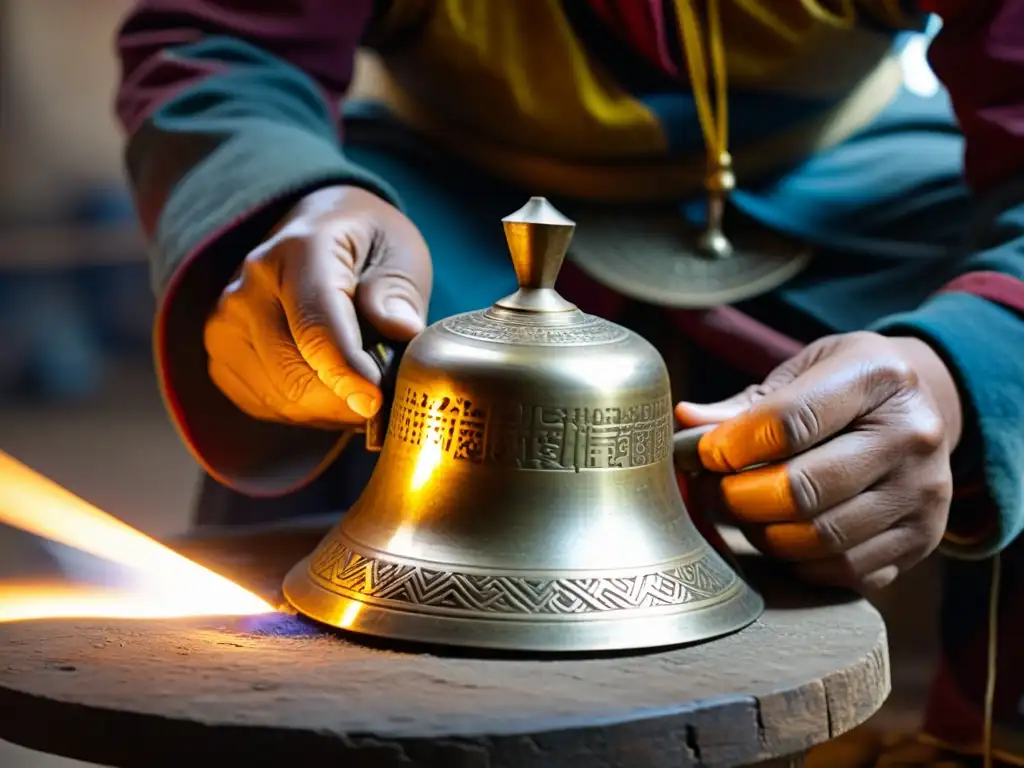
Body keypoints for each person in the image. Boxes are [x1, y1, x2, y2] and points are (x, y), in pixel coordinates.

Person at [114, 1, 1023, 764]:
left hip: (848, 190)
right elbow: (223, 44)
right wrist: (290, 204)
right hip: (447, 197)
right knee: (374, 375)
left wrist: (959, 370)